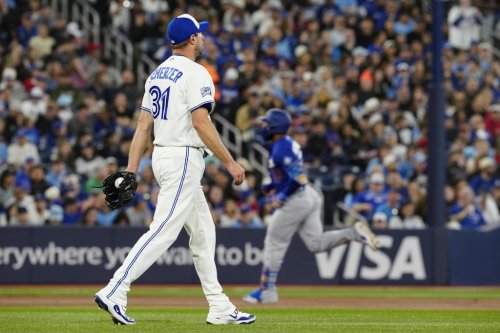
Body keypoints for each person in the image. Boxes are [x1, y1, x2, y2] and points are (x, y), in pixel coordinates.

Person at [94, 14, 255, 325]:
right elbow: (200, 121)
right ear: (192, 39)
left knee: (204, 233)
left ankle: (219, 305)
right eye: (200, 33)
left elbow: (143, 126)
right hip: (182, 157)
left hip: (164, 155)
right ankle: (115, 289)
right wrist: (229, 161)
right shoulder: (197, 73)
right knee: (164, 229)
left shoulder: (156, 74)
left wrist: (131, 169)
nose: (203, 37)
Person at [243, 109, 380, 304]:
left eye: (267, 124)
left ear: (274, 127)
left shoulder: (281, 147)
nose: (264, 127)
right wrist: (273, 185)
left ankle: (267, 290)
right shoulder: (285, 144)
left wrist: (282, 195)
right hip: (308, 196)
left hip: (297, 199)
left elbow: (298, 177)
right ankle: (354, 234)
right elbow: (289, 176)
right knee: (316, 243)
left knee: (274, 241)